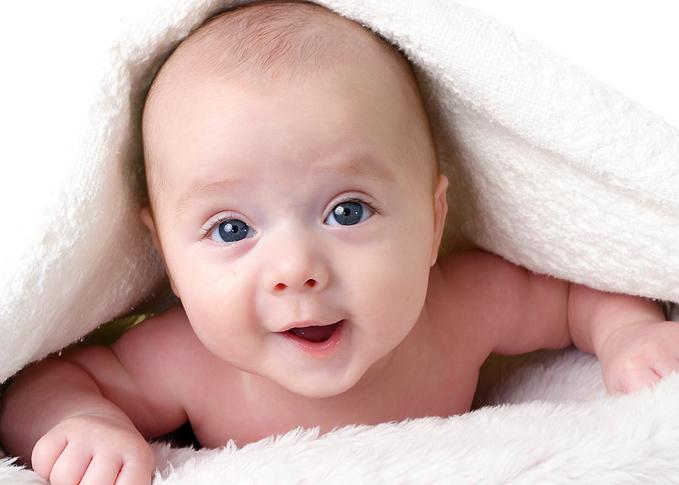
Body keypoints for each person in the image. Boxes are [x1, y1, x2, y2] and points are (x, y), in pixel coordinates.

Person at [1, 1, 677, 484]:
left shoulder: (459, 306)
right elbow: (44, 380)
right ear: (168, 258)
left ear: (433, 219)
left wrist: (624, 334)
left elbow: (569, 291)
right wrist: (81, 421)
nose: (296, 269)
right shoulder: (189, 361)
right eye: (232, 229)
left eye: (347, 210)